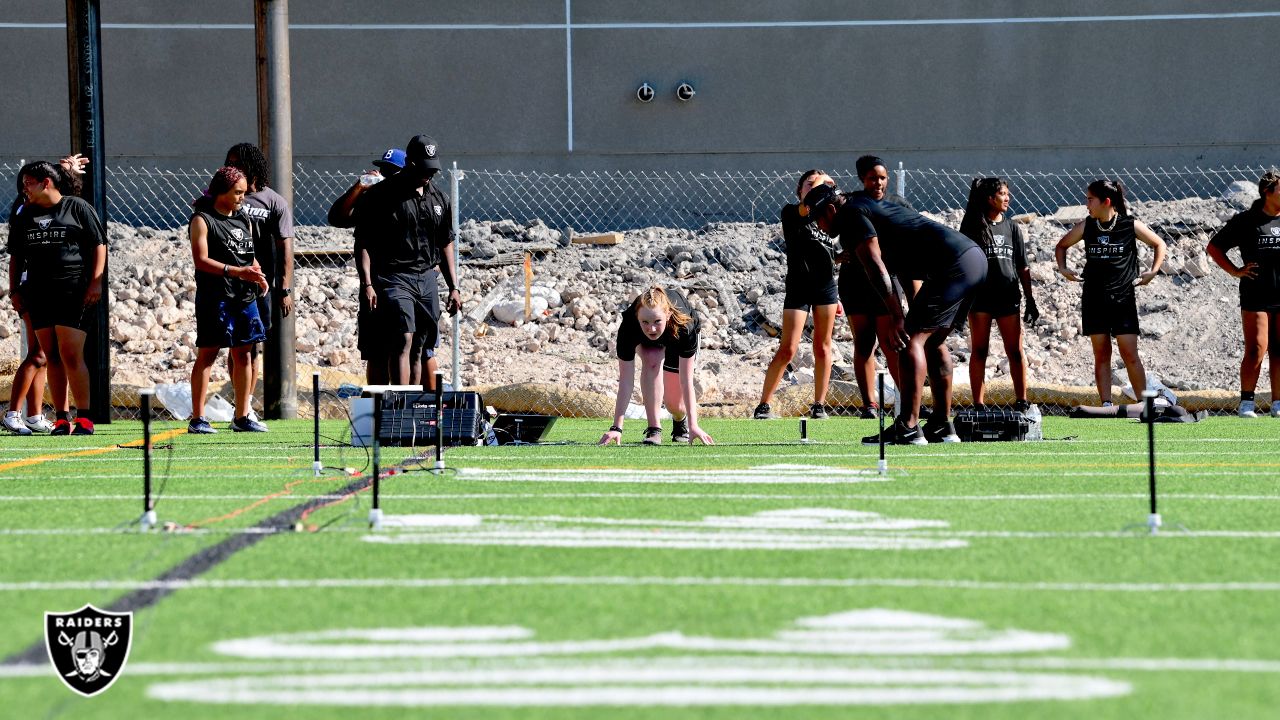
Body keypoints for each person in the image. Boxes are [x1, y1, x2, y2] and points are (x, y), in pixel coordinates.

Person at [805, 181, 985, 445]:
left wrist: (897, 317)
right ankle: (942, 425)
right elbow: (903, 265)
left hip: (953, 264)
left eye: (818, 219)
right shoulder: (866, 207)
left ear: (831, 210)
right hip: (973, 259)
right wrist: (908, 309)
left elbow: (877, 268)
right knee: (934, 342)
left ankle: (909, 426)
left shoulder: (851, 216)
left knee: (910, 340)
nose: (819, 227)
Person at [347, 135, 461, 387]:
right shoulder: (380, 196)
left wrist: (454, 287)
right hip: (393, 277)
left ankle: (415, 406)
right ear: (409, 163)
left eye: (432, 170)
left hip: (427, 277)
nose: (427, 175)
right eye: (423, 169)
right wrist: (367, 283)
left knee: (420, 343)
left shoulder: (439, 198)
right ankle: (399, 407)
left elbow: (445, 242)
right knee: (402, 338)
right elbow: (362, 240)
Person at [7, 160, 107, 435]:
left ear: (46, 183)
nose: (24, 188)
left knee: (71, 354)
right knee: (51, 355)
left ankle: (84, 417)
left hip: (72, 290)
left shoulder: (77, 207)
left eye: (29, 183)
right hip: (38, 293)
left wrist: (96, 283)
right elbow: (16, 255)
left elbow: (99, 245)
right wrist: (14, 290)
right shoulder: (25, 213)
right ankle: (62, 417)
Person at [1055, 179, 1166, 406]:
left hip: (1123, 299)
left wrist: (1153, 271)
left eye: (1089, 200)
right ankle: (1106, 404)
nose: (1086, 204)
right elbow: (1061, 245)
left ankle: (1144, 405)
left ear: (1106, 202)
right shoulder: (1087, 226)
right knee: (1101, 354)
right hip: (1094, 299)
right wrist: (1063, 268)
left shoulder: (1129, 224)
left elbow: (1159, 244)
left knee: (1129, 354)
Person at [187, 166, 270, 434]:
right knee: (208, 354)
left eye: (244, 193)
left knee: (244, 355)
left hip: (244, 298)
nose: (241, 198)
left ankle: (242, 416)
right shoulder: (203, 219)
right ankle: (198, 419)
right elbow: (201, 260)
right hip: (215, 298)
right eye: (237, 192)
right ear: (221, 191)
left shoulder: (242, 218)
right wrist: (237, 272)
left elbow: (248, 254)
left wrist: (257, 274)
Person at [754, 170, 839, 420]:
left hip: (826, 288)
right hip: (799, 287)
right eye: (809, 184)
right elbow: (810, 203)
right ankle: (763, 405)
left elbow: (831, 251)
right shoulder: (792, 212)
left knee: (823, 347)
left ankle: (819, 405)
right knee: (788, 348)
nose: (815, 186)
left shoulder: (830, 215)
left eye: (819, 183)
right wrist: (824, 182)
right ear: (800, 190)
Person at [837, 155, 913, 418]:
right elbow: (826, 230)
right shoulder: (851, 204)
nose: (878, 183)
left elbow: (911, 237)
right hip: (855, 283)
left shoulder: (898, 204)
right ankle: (869, 405)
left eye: (882, 177)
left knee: (892, 342)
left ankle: (906, 403)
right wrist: (835, 255)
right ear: (862, 179)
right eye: (872, 178)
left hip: (887, 284)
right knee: (864, 344)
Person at [223, 143, 294, 419]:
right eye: (228, 163)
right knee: (235, 346)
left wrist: (284, 288)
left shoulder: (273, 201)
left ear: (252, 168)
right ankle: (238, 402)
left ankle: (247, 405)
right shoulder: (225, 198)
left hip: (260, 286)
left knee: (252, 347)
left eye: (237, 163)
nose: (231, 168)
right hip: (230, 283)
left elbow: (285, 247)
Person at [958, 177, 1039, 410]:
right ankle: (978, 403)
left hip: (1008, 297)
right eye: (1003, 194)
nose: (1007, 198)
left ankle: (1022, 400)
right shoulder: (973, 225)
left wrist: (1030, 299)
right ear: (990, 198)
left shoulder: (1012, 226)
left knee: (1014, 350)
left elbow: (1022, 266)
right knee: (980, 350)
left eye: (1007, 194)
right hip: (980, 298)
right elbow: (963, 263)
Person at [329, 148, 407, 384]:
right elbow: (338, 218)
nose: (384, 174)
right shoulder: (371, 200)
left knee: (412, 349)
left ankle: (411, 408)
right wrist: (359, 187)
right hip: (377, 283)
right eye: (383, 170)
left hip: (407, 281)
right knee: (376, 351)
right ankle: (377, 409)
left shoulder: (412, 198)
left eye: (391, 171)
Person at [1206, 170, 1280, 418]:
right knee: (1257, 348)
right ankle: (1247, 402)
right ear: (1267, 193)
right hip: (1256, 294)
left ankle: (1278, 403)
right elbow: (1214, 247)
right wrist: (1234, 271)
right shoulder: (1247, 220)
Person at [599, 287, 714, 446]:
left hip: (674, 335)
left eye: (657, 321)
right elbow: (626, 382)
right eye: (645, 322)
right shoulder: (629, 328)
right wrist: (616, 428)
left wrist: (694, 425)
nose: (651, 329)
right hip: (646, 341)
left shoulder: (685, 328)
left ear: (667, 315)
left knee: (675, 405)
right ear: (637, 317)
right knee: (651, 359)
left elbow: (686, 381)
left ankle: (681, 421)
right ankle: (654, 429)